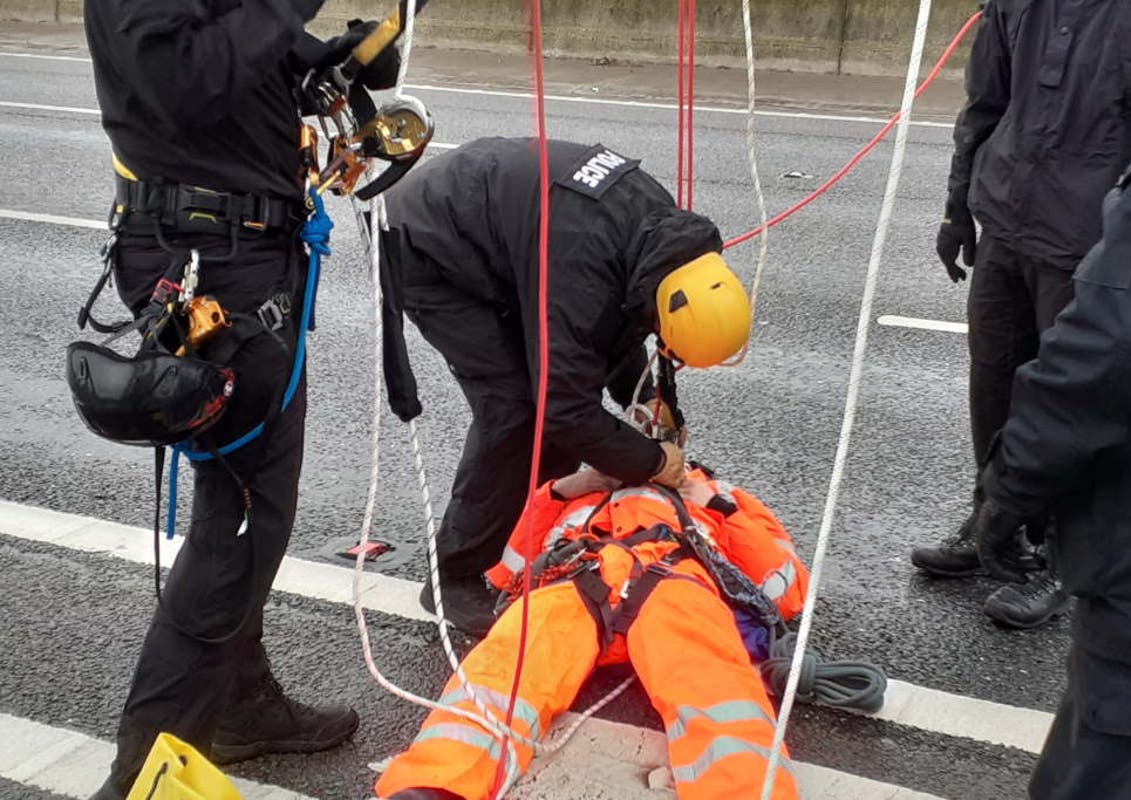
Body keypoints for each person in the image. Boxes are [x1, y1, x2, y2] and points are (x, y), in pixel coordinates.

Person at [81, 2, 408, 796]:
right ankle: (142, 778)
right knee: (238, 522)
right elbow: (182, 81)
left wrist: (339, 60)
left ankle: (239, 704)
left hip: (242, 252)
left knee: (242, 504)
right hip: (211, 264)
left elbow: (247, 62)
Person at [380, 137, 752, 636]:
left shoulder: (669, 243)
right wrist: (651, 462)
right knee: (516, 413)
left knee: (552, 417)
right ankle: (454, 574)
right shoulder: (582, 265)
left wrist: (642, 398)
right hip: (428, 244)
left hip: (508, 240)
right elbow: (565, 404)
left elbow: (614, 322)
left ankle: (522, 543)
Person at [912, 0, 1131, 629]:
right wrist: (957, 207)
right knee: (994, 380)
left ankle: (1065, 554)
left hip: (1094, 240)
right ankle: (993, 519)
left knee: (1075, 400)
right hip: (1007, 219)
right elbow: (986, 103)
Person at [972, 39, 1131, 799]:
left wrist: (1012, 491)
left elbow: (1117, 344)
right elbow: (989, 98)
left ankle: (1032, 555)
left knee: (1125, 758)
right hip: (1013, 216)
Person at [374, 459, 809, 800]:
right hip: (580, 577)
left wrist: (715, 502)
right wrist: (559, 491)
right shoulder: (580, 493)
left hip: (673, 579)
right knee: (502, 669)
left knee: (717, 689)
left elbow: (787, 590)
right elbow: (507, 572)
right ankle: (435, 788)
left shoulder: (720, 494)